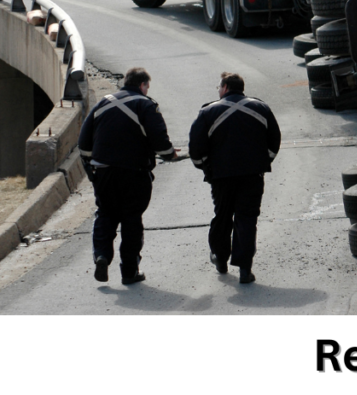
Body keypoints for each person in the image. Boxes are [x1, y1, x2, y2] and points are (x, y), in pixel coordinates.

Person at [78, 67, 178, 285]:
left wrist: (91, 167)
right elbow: (159, 139)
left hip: (103, 171)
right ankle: (129, 272)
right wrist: (169, 154)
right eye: (147, 87)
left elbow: (84, 142)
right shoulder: (146, 104)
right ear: (142, 85)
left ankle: (102, 256)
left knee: (105, 214)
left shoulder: (102, 103)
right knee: (132, 219)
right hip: (135, 173)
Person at [189, 72, 281, 284]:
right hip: (252, 175)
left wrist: (204, 167)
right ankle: (244, 268)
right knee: (247, 219)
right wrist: (262, 162)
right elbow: (274, 139)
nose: (218, 91)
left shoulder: (207, 111)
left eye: (219, 87)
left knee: (222, 216)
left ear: (226, 87)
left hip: (221, 176)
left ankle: (220, 258)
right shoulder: (261, 108)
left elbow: (196, 146)